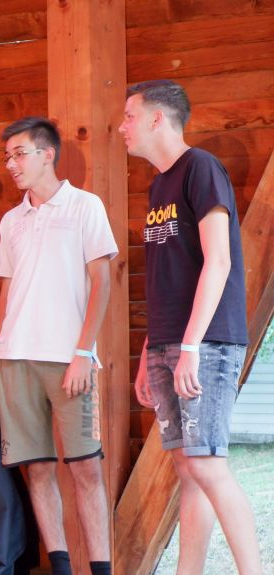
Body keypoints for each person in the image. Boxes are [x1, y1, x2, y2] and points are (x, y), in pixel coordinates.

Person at [120, 80, 260, 574]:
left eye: (129, 116)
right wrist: (149, 352)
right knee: (187, 467)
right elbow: (169, 278)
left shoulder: (201, 167)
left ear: (157, 118)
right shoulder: (158, 185)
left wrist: (191, 347)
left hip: (207, 342)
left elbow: (218, 261)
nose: (122, 127)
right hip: (168, 343)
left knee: (207, 463)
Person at [0, 117, 116, 575]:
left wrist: (83, 353)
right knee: (36, 469)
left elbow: (102, 282)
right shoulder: (11, 221)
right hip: (13, 361)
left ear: (47, 154)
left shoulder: (85, 206)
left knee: (86, 469)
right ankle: (61, 569)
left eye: (19, 154)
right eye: (7, 157)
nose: (11, 164)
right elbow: (7, 295)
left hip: (69, 360)